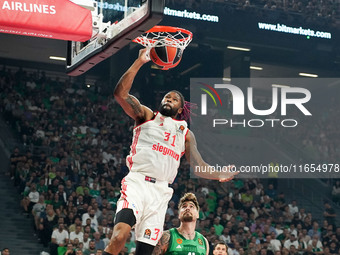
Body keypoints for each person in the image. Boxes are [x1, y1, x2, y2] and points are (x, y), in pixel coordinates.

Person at [103, 49, 238, 255]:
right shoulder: (147, 116)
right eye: (167, 96)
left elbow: (199, 166)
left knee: (145, 252)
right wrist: (140, 61)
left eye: (174, 99)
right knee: (120, 236)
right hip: (137, 183)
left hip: (160, 193)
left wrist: (219, 174)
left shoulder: (185, 133)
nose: (169, 99)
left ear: (180, 108)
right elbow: (120, 94)